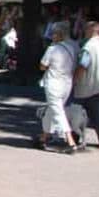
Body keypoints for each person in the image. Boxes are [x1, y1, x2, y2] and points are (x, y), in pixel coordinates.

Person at [35, 21, 80, 154]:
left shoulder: (52, 49)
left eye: (53, 33)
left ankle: (70, 140)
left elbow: (42, 65)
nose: (52, 36)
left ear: (59, 35)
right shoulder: (71, 48)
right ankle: (43, 137)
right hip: (66, 83)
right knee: (52, 109)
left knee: (58, 111)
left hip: (53, 83)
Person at [74, 21, 99, 150]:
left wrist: (74, 79)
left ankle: (74, 137)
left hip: (86, 84)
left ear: (91, 31)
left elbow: (83, 66)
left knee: (78, 111)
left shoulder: (88, 47)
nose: (84, 32)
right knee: (94, 111)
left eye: (85, 30)